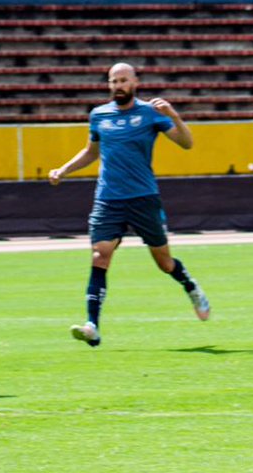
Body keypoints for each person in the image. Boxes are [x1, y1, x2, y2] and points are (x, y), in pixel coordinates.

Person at [48, 62, 209, 348]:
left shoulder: (151, 113)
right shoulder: (99, 116)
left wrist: (174, 115)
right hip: (108, 199)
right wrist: (63, 170)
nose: (118, 86)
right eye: (113, 81)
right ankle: (92, 326)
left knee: (164, 262)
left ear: (135, 82)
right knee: (100, 255)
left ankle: (191, 287)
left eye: (123, 80)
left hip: (143, 198)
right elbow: (90, 152)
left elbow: (187, 144)